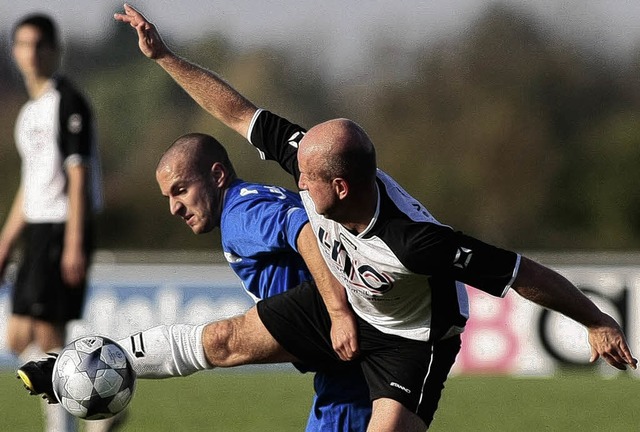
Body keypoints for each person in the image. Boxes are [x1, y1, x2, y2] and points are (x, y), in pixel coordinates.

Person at [19, 5, 637, 432]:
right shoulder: (312, 164)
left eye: (307, 180)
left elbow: (519, 272)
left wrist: (596, 318)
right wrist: (164, 57)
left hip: (410, 340)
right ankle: (80, 366)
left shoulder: (414, 242)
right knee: (226, 339)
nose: (296, 184)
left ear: (339, 186)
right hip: (340, 299)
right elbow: (237, 113)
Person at [157, 132, 372, 430]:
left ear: (217, 175)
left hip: (349, 375)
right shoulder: (254, 197)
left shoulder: (239, 214)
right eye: (168, 197)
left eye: (180, 190)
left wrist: (337, 313)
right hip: (343, 369)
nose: (174, 208)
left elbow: (302, 226)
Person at [0, 13, 110, 432]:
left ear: (53, 50)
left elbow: (78, 175)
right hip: (36, 230)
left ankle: (66, 423)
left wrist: (74, 242)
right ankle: (103, 396)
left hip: (64, 226)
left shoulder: (69, 101)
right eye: (23, 44)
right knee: (15, 339)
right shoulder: (29, 112)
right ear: (15, 51)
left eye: (39, 45)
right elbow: (31, 188)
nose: (31, 53)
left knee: (49, 335)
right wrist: (7, 241)